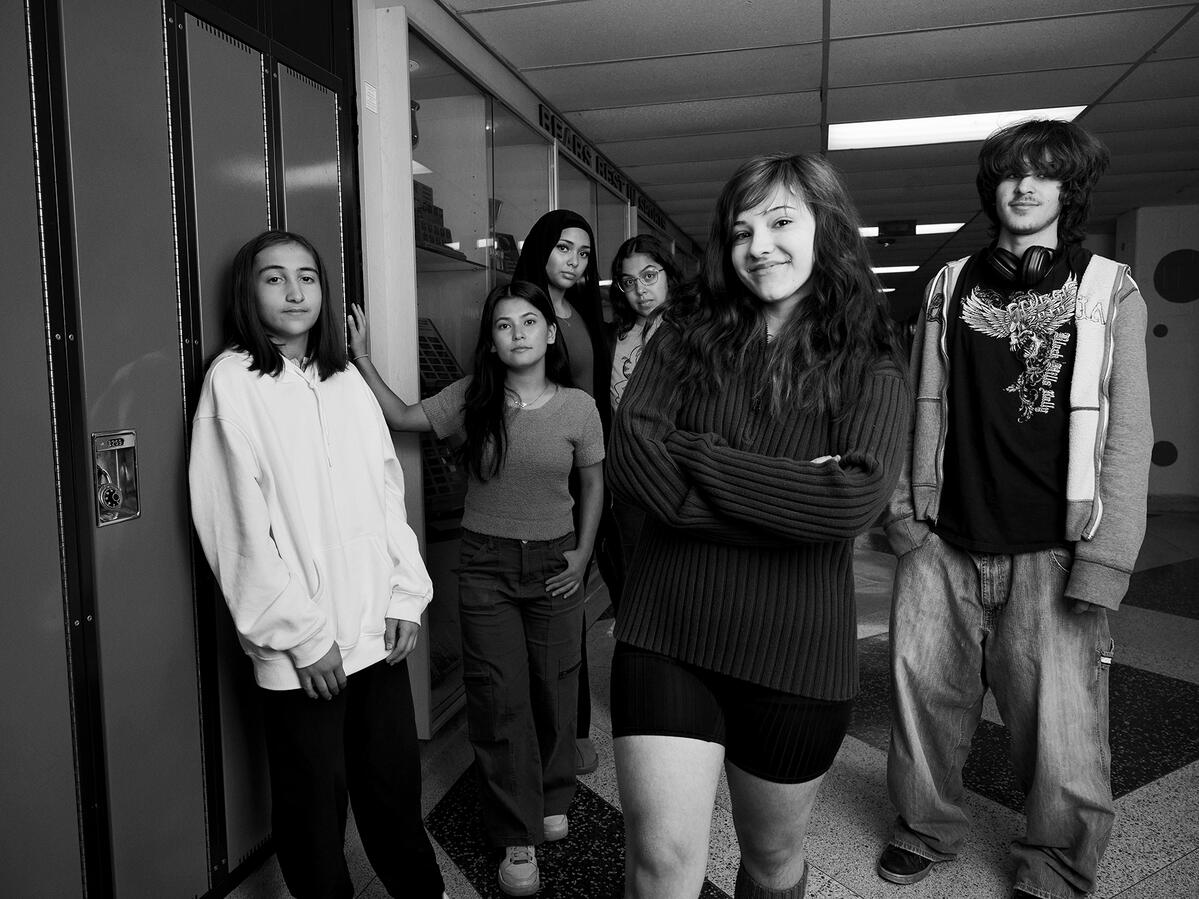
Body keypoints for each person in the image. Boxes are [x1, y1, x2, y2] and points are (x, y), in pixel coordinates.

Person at [608, 154, 910, 899]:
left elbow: (849, 501)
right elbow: (630, 458)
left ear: (826, 231)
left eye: (780, 223)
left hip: (796, 655)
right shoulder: (683, 335)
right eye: (740, 230)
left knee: (771, 863)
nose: (757, 246)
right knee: (657, 863)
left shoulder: (867, 358)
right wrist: (791, 497)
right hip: (665, 632)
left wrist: (695, 455)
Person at [878, 119, 1152, 899]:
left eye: (1042, 175)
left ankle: (1055, 861)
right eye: (1009, 174)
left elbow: (1128, 433)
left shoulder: (1108, 288)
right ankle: (924, 827)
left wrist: (1105, 562)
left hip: (1053, 545)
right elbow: (912, 404)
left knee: (1062, 729)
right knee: (923, 700)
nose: (1023, 187)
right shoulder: (947, 284)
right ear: (990, 189)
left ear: (1068, 192)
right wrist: (904, 514)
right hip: (943, 538)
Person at [188, 230, 445, 899]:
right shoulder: (231, 382)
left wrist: (403, 593)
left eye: (307, 275)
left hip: (374, 635)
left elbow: (386, 495)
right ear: (248, 291)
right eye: (274, 278)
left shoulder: (344, 380)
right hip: (304, 649)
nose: (296, 290)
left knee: (393, 792)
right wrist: (301, 638)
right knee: (313, 811)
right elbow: (236, 529)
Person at [348, 281, 604, 897]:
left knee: (553, 686)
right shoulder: (473, 399)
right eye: (502, 325)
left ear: (549, 333)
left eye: (528, 321)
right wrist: (362, 359)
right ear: (490, 341)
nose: (517, 333)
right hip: (485, 564)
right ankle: (516, 834)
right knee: (498, 698)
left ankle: (550, 793)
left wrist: (584, 552)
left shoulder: (578, 408)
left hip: (554, 565)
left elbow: (594, 484)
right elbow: (404, 417)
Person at [513, 209, 615, 776]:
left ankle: (569, 728)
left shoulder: (584, 314)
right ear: (541, 251)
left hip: (587, 467)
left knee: (568, 600)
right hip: (539, 470)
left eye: (582, 252)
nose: (574, 262)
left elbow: (595, 393)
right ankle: (540, 734)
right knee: (541, 605)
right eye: (563, 249)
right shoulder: (523, 310)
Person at [606, 235, 681, 587]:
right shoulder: (613, 337)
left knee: (680, 572)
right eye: (629, 282)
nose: (641, 290)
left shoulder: (692, 333)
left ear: (668, 275)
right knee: (637, 573)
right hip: (627, 474)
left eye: (650, 276)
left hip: (677, 470)